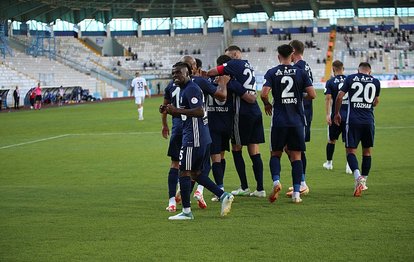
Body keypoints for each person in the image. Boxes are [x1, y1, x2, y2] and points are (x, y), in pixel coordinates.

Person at [163, 62, 234, 220]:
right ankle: (223, 196)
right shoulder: (184, 89)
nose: (175, 76)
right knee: (195, 173)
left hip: (194, 137)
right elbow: (186, 113)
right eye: (173, 73)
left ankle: (187, 212)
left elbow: (200, 111)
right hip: (199, 136)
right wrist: (170, 111)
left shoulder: (192, 88)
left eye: (179, 73)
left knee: (184, 171)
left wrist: (177, 110)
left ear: (188, 73)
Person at [207, 45, 266, 198]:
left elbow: (214, 73)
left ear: (234, 54)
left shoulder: (232, 67)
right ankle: (260, 188)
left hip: (242, 112)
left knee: (236, 148)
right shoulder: (249, 66)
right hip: (256, 112)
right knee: (254, 149)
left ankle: (245, 186)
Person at [261, 44, 316, 203]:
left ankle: (277, 182)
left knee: (275, 154)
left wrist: (267, 104)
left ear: (278, 56)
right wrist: (298, 96)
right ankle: (297, 194)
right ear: (292, 55)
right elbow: (312, 94)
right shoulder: (300, 72)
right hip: (297, 120)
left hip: (279, 121)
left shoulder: (272, 72)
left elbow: (264, 93)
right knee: (296, 156)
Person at [334, 62, 380, 197]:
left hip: (353, 120)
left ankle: (358, 176)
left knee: (350, 150)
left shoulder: (351, 78)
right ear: (369, 72)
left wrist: (337, 113)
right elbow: (376, 101)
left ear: (358, 70)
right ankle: (363, 181)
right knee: (367, 151)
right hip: (368, 120)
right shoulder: (376, 82)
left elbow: (340, 96)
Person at [285, 39, 314, 197]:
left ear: (293, 52)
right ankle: (300, 181)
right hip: (303, 112)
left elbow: (307, 92)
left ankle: (302, 183)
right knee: (292, 148)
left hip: (300, 112)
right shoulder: (305, 65)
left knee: (296, 148)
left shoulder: (298, 67)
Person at [322, 60, 352, 174]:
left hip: (336, 115)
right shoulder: (350, 80)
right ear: (343, 68)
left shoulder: (330, 82)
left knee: (331, 140)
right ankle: (349, 165)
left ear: (333, 69)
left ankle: (329, 163)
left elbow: (328, 98)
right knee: (349, 142)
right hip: (349, 116)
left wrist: (327, 114)